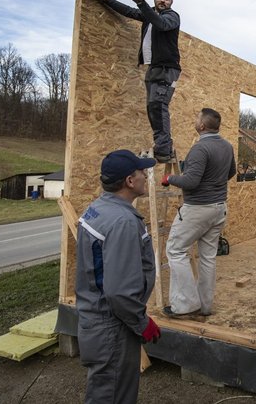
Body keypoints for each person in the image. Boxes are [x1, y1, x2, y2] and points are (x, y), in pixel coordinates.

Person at [75, 149, 162, 404]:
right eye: (141, 172)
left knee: (105, 389)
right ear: (129, 181)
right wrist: (142, 322)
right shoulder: (122, 221)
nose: (146, 175)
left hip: (97, 319)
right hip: (112, 327)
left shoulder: (98, 208)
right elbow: (119, 291)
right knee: (113, 394)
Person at [89, 0, 181, 163]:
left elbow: (161, 24)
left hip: (167, 69)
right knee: (152, 107)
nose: (162, 0)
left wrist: (140, 1)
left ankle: (163, 148)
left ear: (171, 2)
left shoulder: (172, 16)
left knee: (158, 104)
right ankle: (163, 146)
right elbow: (128, 11)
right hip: (154, 68)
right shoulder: (149, 14)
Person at [161, 108, 237, 318]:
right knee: (208, 257)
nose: (195, 120)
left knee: (176, 251)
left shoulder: (200, 149)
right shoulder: (226, 146)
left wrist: (169, 179)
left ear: (202, 125)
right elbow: (231, 172)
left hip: (198, 209)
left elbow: (191, 182)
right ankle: (205, 306)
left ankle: (185, 305)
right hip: (218, 208)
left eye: (197, 118)